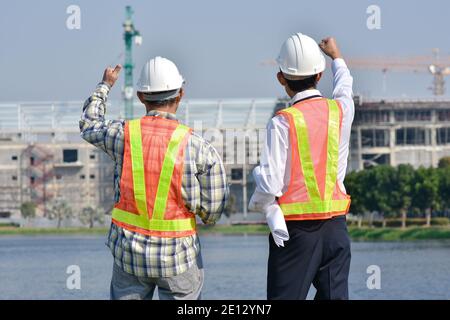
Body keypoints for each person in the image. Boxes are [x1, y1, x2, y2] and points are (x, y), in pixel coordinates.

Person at [80, 57, 228, 300]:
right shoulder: (199, 147)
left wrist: (105, 85)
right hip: (179, 257)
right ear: (180, 94)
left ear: (141, 97)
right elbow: (212, 212)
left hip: (129, 254)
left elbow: (89, 124)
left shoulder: (123, 136)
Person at [249, 34, 354, 300]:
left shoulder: (282, 122)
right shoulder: (341, 111)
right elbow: (344, 86)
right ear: (319, 74)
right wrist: (337, 57)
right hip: (336, 229)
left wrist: (263, 205)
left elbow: (270, 184)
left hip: (295, 233)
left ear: (281, 78)